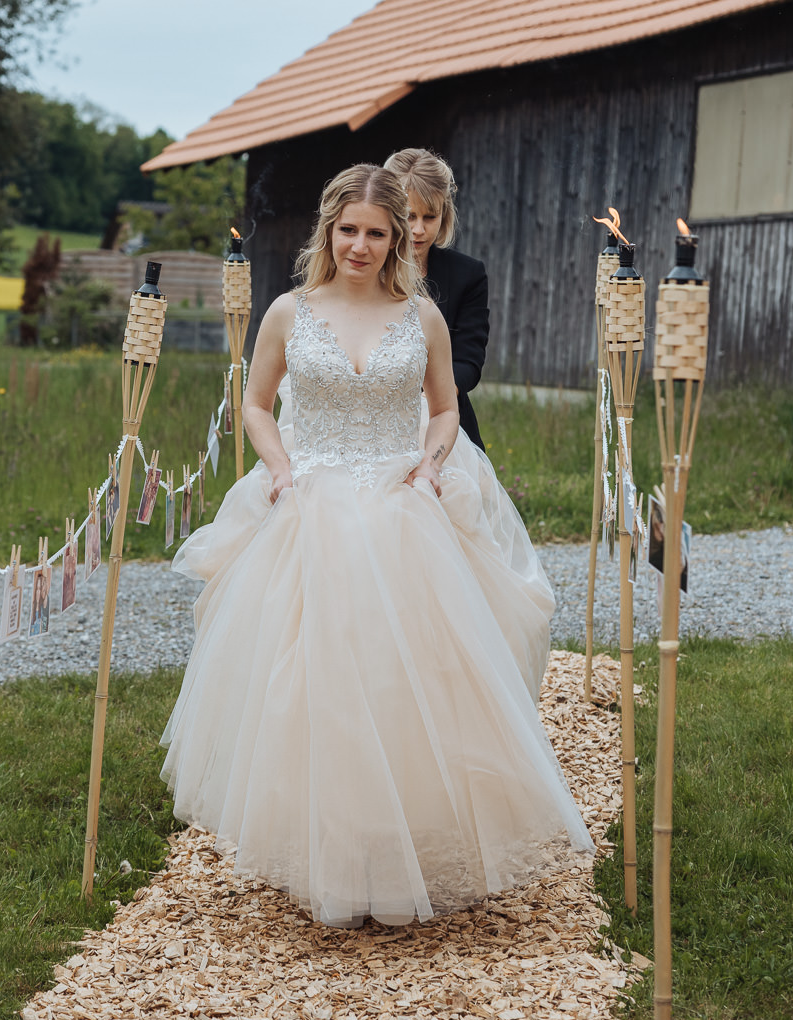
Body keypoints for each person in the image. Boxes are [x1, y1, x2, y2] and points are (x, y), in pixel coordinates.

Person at [160, 164, 592, 928]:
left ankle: (405, 852)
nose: (361, 245)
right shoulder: (289, 313)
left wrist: (429, 466)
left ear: (401, 240)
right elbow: (255, 405)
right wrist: (283, 470)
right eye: (349, 229)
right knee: (315, 686)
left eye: (378, 233)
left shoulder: (420, 315)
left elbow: (445, 408)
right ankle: (334, 855)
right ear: (329, 229)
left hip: (401, 512)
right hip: (312, 507)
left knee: (408, 685)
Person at [384, 148, 489, 450]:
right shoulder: (363, 268)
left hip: (443, 419)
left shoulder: (469, 274)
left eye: (430, 217)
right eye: (408, 216)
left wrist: (429, 396)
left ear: (445, 214)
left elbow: (468, 360)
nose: (418, 229)